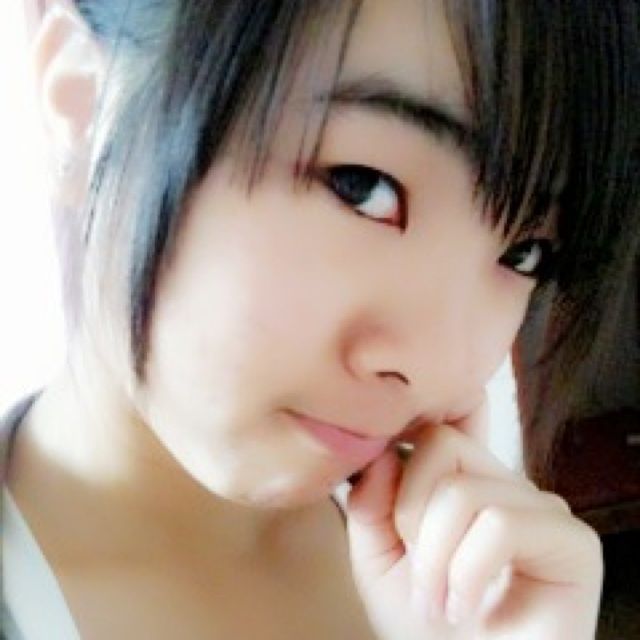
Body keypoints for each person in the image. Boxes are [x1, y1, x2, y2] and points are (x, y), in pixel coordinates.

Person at [1, 0, 637, 637]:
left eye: (525, 253)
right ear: (80, 101)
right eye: (362, 186)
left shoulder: (459, 567)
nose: (440, 370)